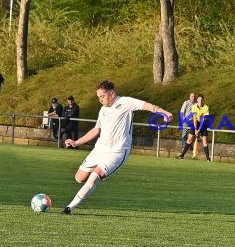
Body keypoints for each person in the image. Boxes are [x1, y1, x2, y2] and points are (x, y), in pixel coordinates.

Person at [61, 80, 172, 214]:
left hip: (117, 152)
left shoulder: (126, 102)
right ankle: (89, 187)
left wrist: (164, 112)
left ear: (112, 93)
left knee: (95, 176)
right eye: (98, 97)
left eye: (102, 96)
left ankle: (70, 208)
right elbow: (96, 130)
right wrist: (76, 142)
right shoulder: (103, 110)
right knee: (79, 178)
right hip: (99, 150)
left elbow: (147, 106)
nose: (100, 100)